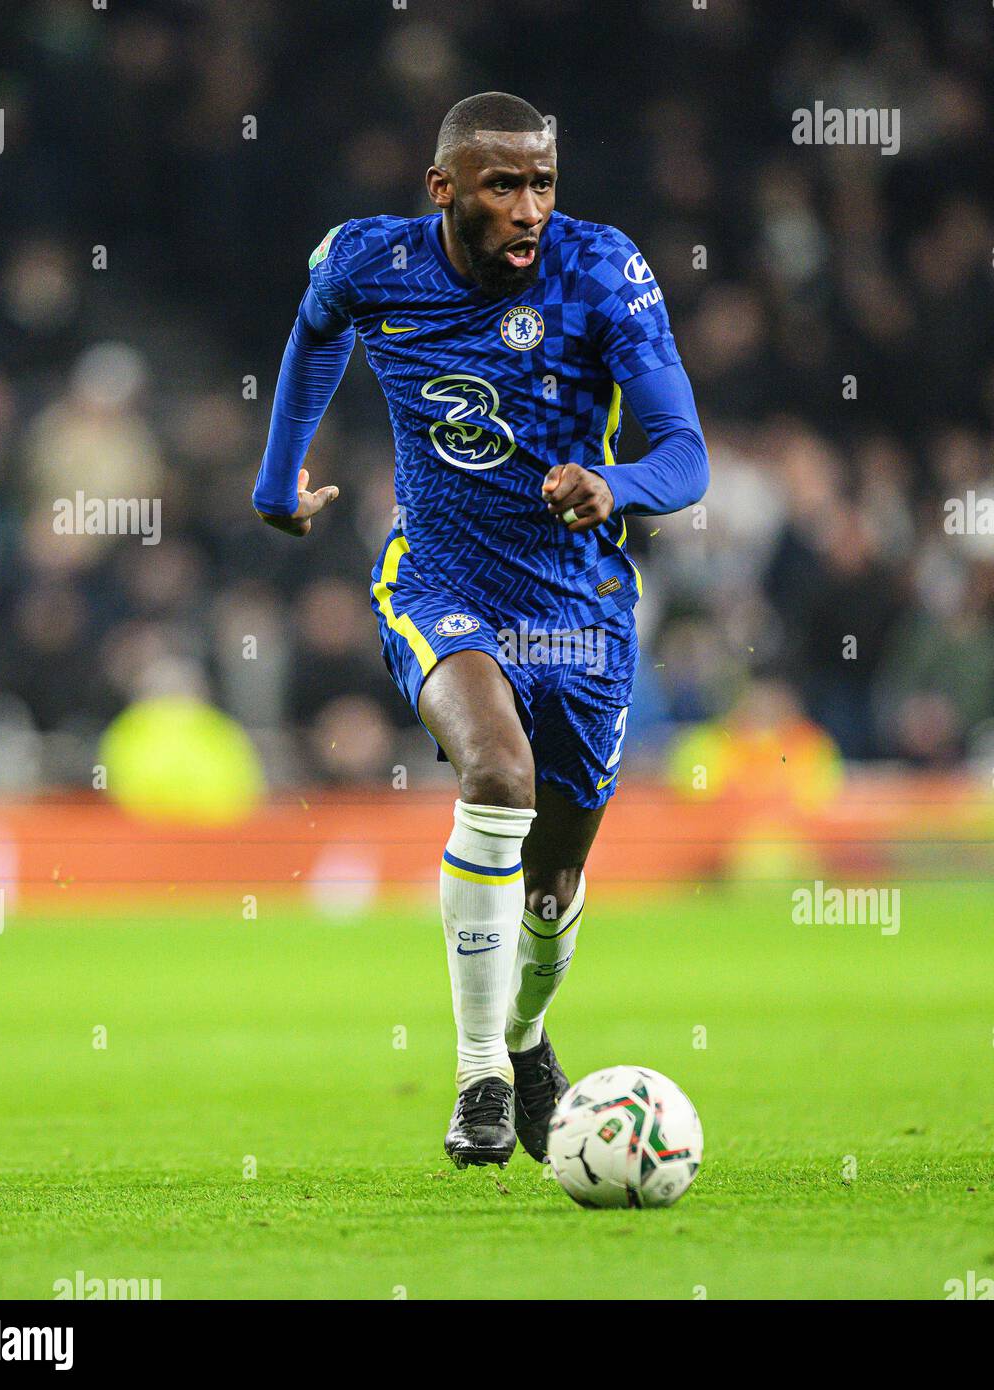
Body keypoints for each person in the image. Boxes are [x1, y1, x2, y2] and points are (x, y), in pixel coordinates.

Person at [252, 92, 708, 1169]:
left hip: (579, 607)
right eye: (503, 185)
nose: (529, 207)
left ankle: (528, 1034)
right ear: (444, 188)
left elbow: (684, 449)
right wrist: (278, 481)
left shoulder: (599, 272)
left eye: (543, 182)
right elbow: (314, 330)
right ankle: (478, 1079)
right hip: (440, 582)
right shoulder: (372, 262)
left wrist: (618, 483)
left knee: (551, 887)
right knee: (495, 776)